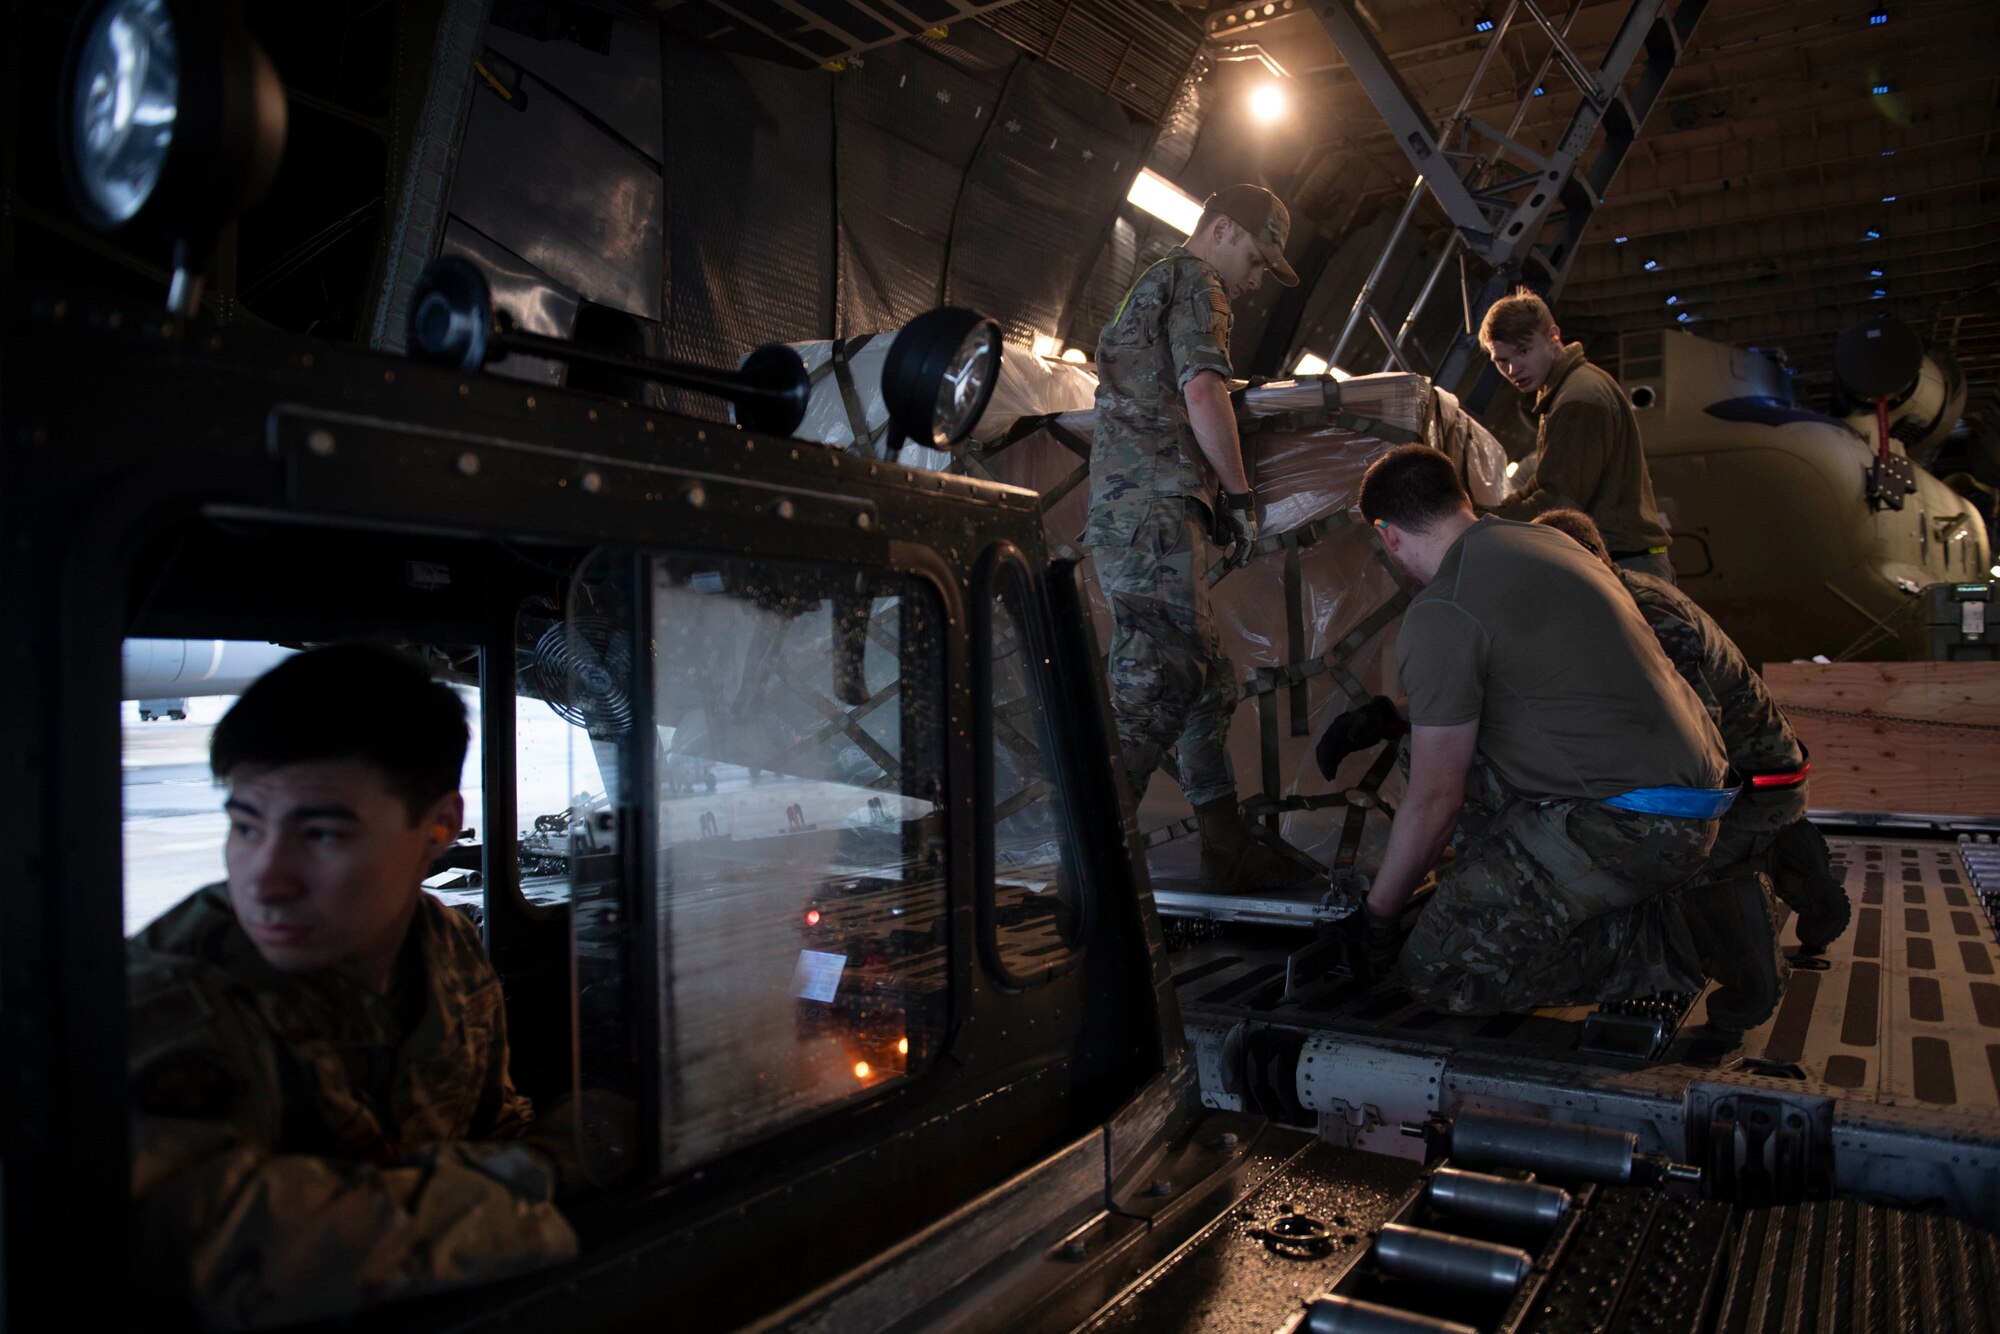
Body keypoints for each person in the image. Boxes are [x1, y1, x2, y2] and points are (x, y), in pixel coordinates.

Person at [128, 644, 577, 1329]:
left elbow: (489, 1126)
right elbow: (207, 1246)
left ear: (441, 826)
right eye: (245, 827)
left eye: (322, 835)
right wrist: (541, 1173)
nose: (265, 878)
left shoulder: (446, 947)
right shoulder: (167, 997)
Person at [1323, 444, 1748, 1016]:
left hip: (1634, 824)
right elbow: (1543, 682)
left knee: (1437, 972)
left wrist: (1377, 916)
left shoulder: (1443, 606)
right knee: (1425, 751)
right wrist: (1391, 715)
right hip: (1692, 794)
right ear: (1461, 500)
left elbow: (1435, 800)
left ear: (1388, 534)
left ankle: (1674, 941)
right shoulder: (1544, 542)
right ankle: (1506, 894)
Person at [1533, 508, 1851, 1039]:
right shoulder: (1634, 590)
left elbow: (1695, 737)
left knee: (1678, 853)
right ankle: (1809, 887)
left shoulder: (1642, 614)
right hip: (1775, 771)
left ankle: (1751, 977)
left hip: (1744, 786)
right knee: (1760, 831)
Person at [1084, 183, 1314, 893]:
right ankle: (1091, 856)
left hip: (1133, 511)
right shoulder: (1196, 282)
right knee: (1160, 678)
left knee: (1205, 681)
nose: (1252, 281)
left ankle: (1224, 843)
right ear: (1220, 229)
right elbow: (1203, 391)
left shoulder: (1149, 283)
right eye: (1254, 257)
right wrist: (1241, 498)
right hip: (1152, 508)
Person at [1481, 288, 1676, 581]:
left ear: (1553, 335)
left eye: (1523, 351)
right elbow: (1544, 481)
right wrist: (1490, 514)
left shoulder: (1577, 399)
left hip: (1625, 567)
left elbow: (1559, 501)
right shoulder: (1569, 388)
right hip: (1626, 562)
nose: (1513, 369)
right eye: (1501, 360)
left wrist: (1483, 525)